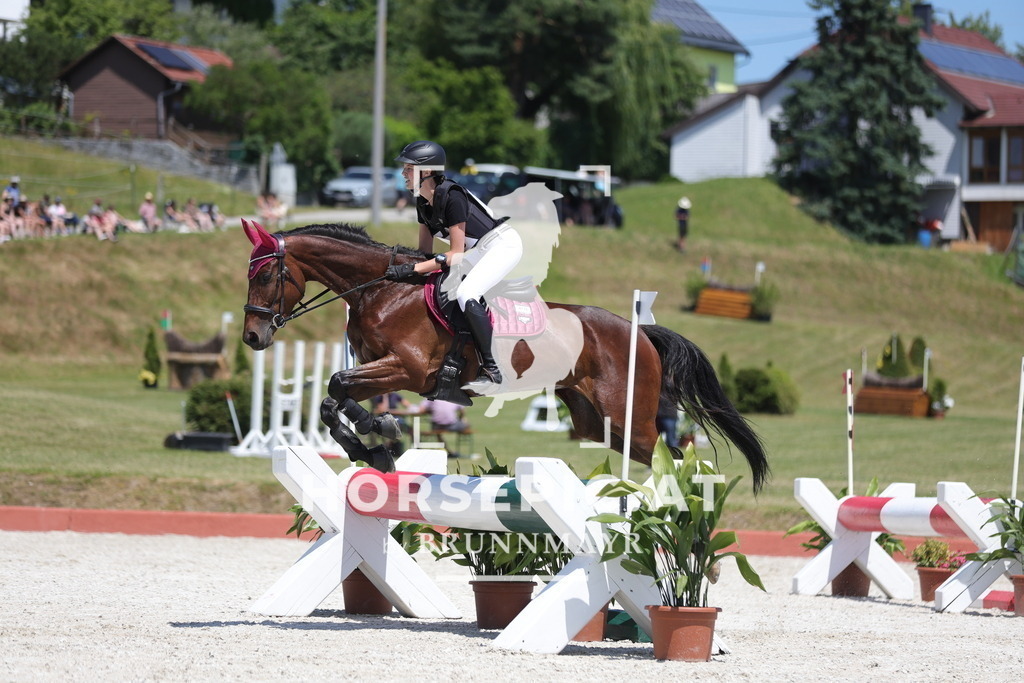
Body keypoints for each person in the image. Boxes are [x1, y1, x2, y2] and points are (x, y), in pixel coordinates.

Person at [386, 140, 523, 390]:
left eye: (408, 168)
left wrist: (413, 269)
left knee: (466, 293)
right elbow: (424, 253)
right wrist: (402, 267)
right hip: (477, 251)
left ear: (426, 171)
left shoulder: (452, 196)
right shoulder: (422, 202)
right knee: (436, 286)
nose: (403, 173)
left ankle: (493, 368)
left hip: (502, 245)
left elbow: (456, 254)